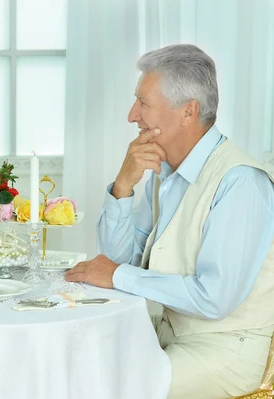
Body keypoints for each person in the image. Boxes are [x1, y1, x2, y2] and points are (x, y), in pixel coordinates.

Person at [65, 44, 274, 398]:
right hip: (166, 336)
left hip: (223, 352)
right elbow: (119, 259)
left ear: (188, 111)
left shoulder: (241, 183)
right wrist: (123, 186)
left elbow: (214, 298)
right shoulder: (167, 174)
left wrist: (117, 275)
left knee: (112, 389)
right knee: (73, 362)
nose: (132, 116)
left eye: (143, 103)